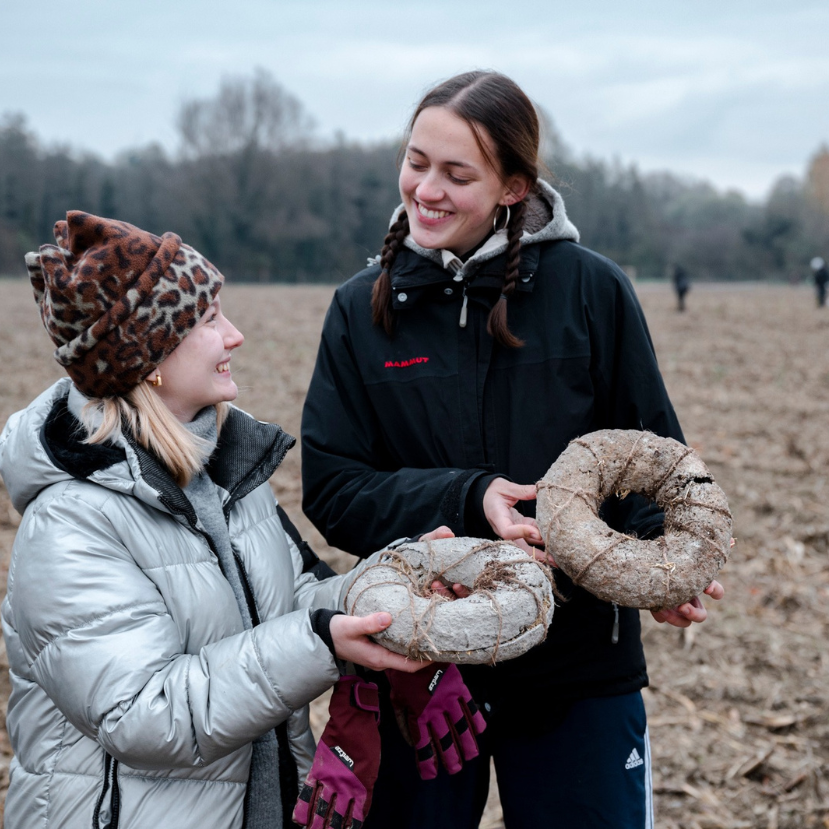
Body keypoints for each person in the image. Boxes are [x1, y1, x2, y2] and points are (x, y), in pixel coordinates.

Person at [301, 71, 724, 828]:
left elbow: (653, 460)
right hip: (418, 666)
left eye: (456, 174)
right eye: (416, 161)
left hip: (578, 665)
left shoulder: (592, 291)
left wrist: (664, 563)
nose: (425, 188)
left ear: (511, 186)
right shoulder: (361, 311)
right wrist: (470, 497)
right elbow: (333, 488)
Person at [0, 211, 431, 829]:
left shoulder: (223, 471)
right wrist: (320, 641)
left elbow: (294, 605)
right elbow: (145, 715)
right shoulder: (71, 522)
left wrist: (404, 577)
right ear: (145, 355)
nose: (235, 336)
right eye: (208, 320)